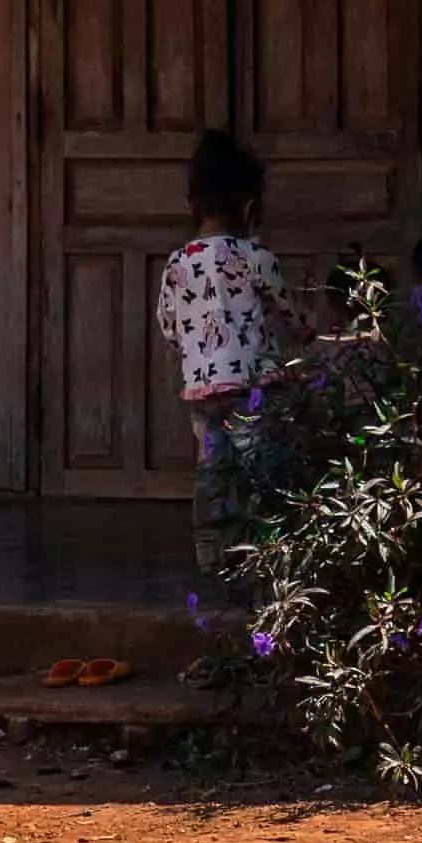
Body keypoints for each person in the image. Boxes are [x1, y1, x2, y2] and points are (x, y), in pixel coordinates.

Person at [157, 130, 282, 566]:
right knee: (257, 471)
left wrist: (194, 355)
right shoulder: (257, 256)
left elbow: (168, 324)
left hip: (203, 391)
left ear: (190, 205)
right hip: (252, 388)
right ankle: (262, 553)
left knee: (211, 471)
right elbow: (286, 309)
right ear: (250, 208)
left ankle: (210, 554)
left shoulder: (177, 263)